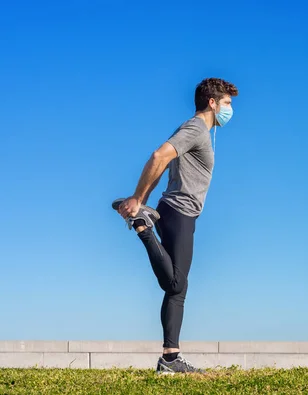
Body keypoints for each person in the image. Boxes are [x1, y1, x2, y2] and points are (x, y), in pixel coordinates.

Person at [111, 77, 238, 374]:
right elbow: (159, 156)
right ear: (212, 102)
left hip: (179, 212)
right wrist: (138, 199)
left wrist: (142, 201)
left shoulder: (199, 131)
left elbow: (165, 162)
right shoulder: (195, 128)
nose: (230, 110)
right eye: (228, 104)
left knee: (177, 290)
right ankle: (144, 228)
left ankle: (170, 357)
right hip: (179, 212)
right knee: (175, 284)